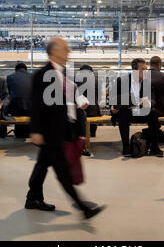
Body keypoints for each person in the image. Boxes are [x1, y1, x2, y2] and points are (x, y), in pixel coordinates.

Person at [26, 37, 105, 219]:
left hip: (59, 131)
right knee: (62, 172)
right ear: (54, 52)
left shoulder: (62, 73)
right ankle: (84, 208)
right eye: (65, 48)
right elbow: (36, 105)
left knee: (42, 166)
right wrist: (36, 130)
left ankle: (32, 198)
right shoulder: (43, 74)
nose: (68, 51)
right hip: (49, 132)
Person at [111, 58, 163, 157]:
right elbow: (113, 97)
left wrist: (148, 102)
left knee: (153, 113)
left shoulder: (147, 81)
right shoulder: (122, 80)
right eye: (143, 69)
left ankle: (155, 146)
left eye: (146, 69)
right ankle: (126, 147)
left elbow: (153, 98)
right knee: (123, 114)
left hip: (141, 111)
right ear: (134, 70)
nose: (146, 71)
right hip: (127, 111)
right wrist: (112, 108)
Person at [6, 62, 32, 138]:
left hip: (15, 108)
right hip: (30, 108)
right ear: (26, 69)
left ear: (16, 70)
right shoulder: (33, 76)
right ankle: (26, 133)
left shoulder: (10, 77)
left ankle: (19, 133)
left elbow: (9, 93)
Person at [76, 65, 101, 138]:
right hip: (94, 111)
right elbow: (99, 96)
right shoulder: (97, 80)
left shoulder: (77, 80)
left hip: (81, 110)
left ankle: (82, 135)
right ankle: (93, 133)